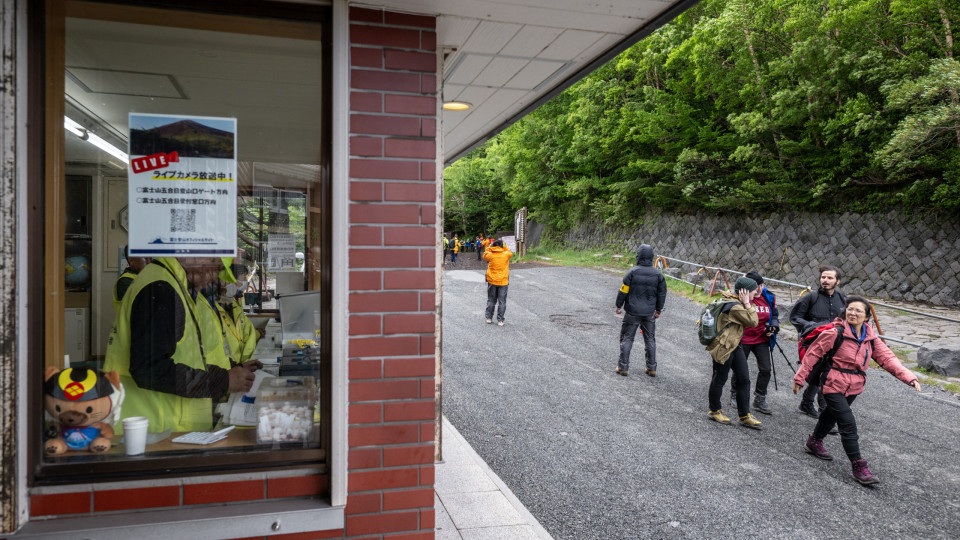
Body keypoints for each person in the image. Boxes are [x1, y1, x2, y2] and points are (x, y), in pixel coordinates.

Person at [104, 257, 256, 435]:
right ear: (192, 255)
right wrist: (222, 381)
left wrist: (230, 370)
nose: (213, 277)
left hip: (169, 429)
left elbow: (191, 354)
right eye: (214, 267)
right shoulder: (161, 288)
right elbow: (150, 368)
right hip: (154, 430)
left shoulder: (175, 285)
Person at [793, 295, 921, 485]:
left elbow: (887, 358)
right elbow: (813, 354)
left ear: (866, 317)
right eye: (850, 309)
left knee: (831, 414)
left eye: (858, 310)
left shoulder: (871, 338)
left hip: (855, 384)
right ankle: (859, 465)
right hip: (832, 382)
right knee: (848, 423)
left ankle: (814, 441)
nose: (852, 313)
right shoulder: (834, 333)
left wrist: (909, 377)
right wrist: (800, 377)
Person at [790, 265, 847, 418]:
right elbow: (795, 317)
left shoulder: (842, 299)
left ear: (838, 281)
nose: (825, 280)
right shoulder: (810, 297)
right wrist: (813, 326)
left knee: (821, 374)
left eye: (829, 278)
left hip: (834, 343)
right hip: (813, 341)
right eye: (823, 277)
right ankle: (824, 412)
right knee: (824, 376)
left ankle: (807, 403)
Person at [707, 277, 763, 430]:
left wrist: (747, 302)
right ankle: (714, 410)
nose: (755, 292)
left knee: (744, 379)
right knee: (720, 378)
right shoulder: (735, 307)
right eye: (753, 290)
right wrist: (747, 303)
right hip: (724, 347)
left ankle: (744, 415)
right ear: (744, 292)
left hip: (735, 345)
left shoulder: (735, 302)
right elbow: (753, 321)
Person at [730, 271, 779, 414]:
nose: (759, 289)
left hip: (762, 338)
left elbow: (774, 315)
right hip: (744, 337)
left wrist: (774, 327)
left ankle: (759, 398)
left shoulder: (768, 297)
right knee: (740, 368)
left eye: (762, 285)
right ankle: (735, 393)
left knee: (766, 369)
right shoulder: (742, 298)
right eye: (756, 286)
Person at [614, 244, 666, 377]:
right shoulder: (658, 275)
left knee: (627, 338)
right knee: (650, 339)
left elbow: (623, 291)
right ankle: (652, 368)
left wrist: (619, 305)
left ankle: (623, 367)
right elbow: (661, 294)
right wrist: (658, 310)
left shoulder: (632, 272)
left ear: (639, 256)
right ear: (651, 257)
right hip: (649, 313)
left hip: (632, 311)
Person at [216, 257, 263, 367]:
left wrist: (257, 333)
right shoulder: (213, 309)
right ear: (226, 281)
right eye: (241, 280)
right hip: (228, 370)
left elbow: (246, 330)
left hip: (241, 365)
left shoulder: (234, 305)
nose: (241, 285)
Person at [482, 239, 513, 326]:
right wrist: (505, 246)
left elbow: (484, 255)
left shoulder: (490, 255)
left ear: (494, 246)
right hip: (503, 281)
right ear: (502, 246)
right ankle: (500, 320)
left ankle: (489, 318)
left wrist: (490, 247)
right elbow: (509, 252)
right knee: (502, 301)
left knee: (491, 300)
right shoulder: (506, 254)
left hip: (492, 281)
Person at [112, 246, 151, 312]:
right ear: (131, 261)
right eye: (145, 258)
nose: (149, 262)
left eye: (150, 258)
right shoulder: (125, 281)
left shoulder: (145, 277)